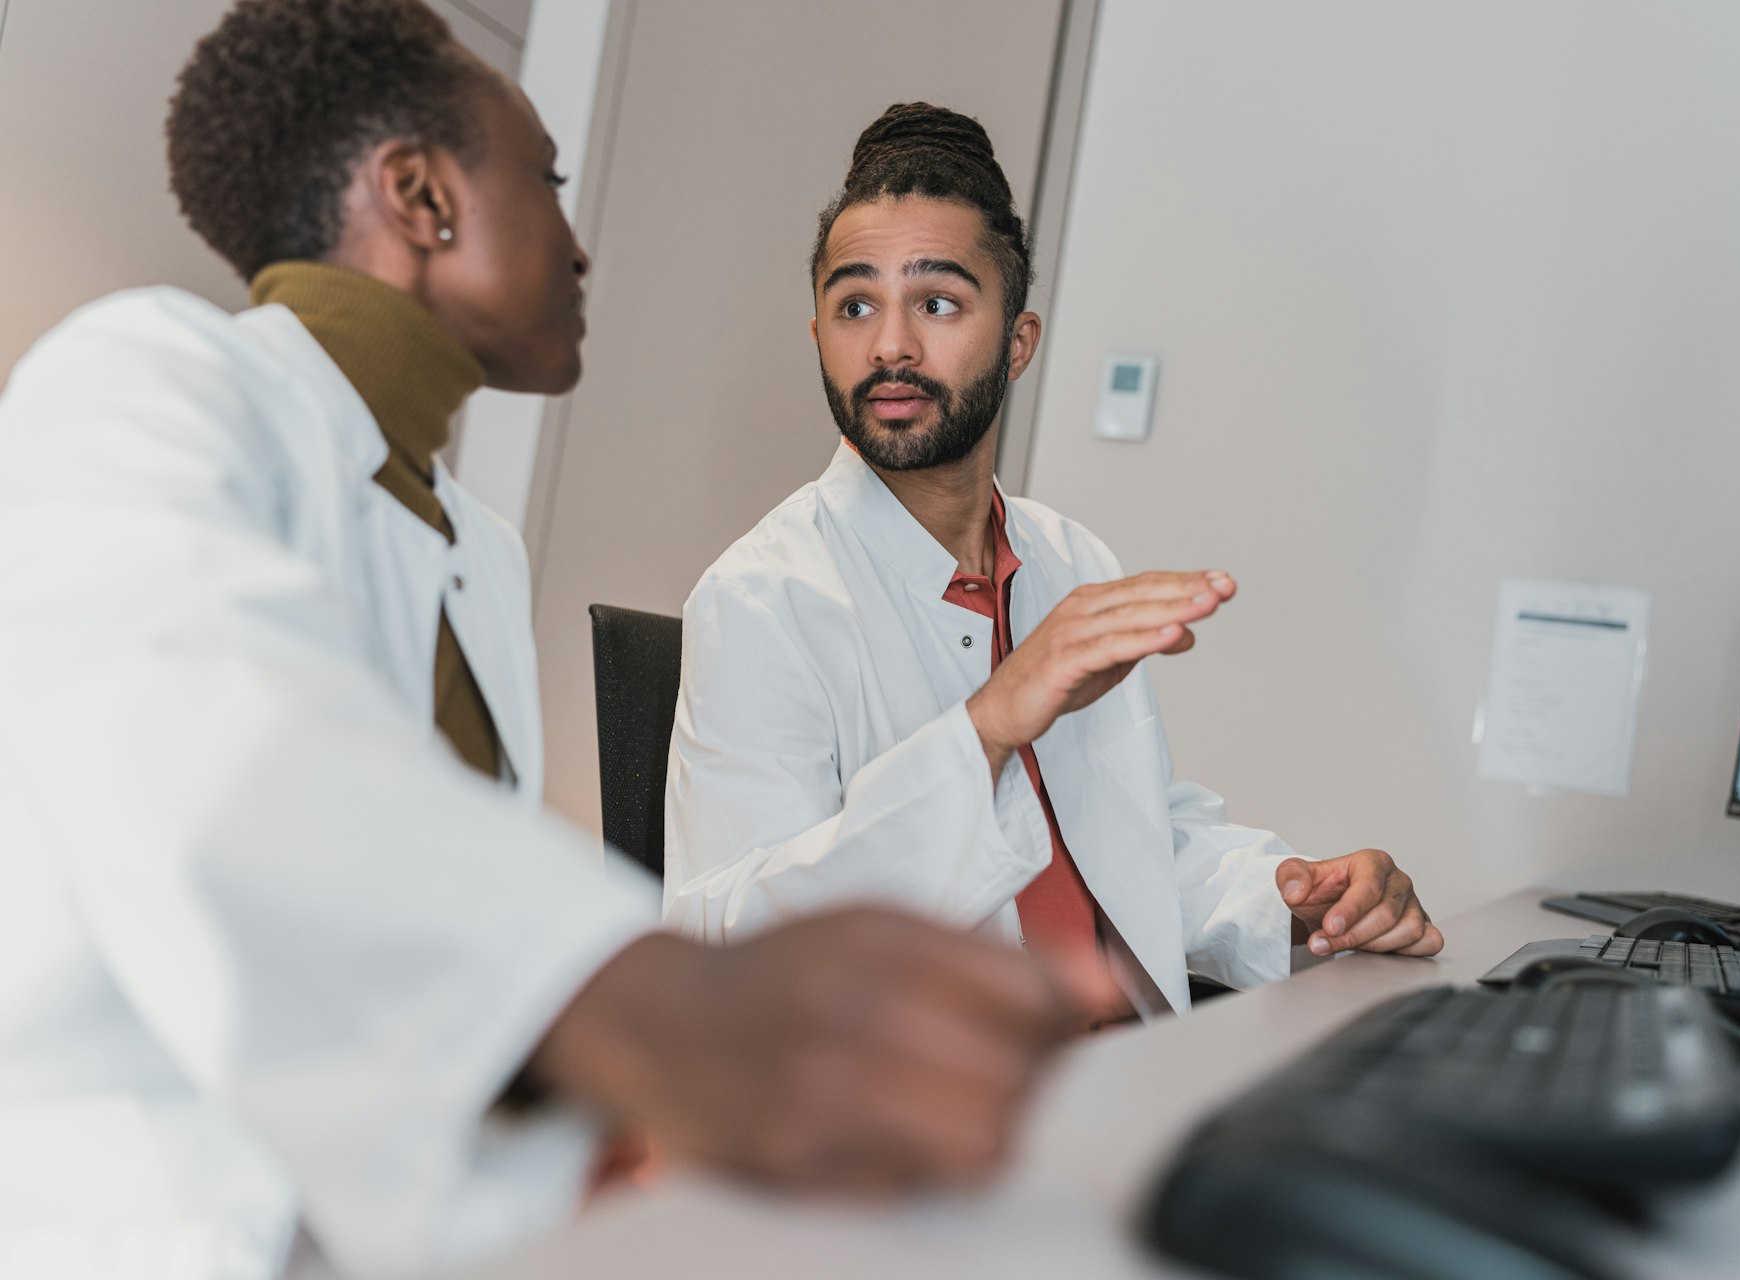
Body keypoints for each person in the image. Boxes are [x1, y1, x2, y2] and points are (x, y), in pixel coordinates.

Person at [0, 10, 1100, 1277]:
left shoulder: (473, 544)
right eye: (547, 181)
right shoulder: (146, 374)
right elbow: (203, 729)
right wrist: (666, 1009)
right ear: (421, 196)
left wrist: (595, 1138)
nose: (579, 247)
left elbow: (403, 979)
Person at [663, 104, 1443, 1016]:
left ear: (1019, 342)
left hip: (1131, 1072)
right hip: (947, 1109)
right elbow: (725, 942)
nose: (890, 347)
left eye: (939, 302)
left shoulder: (1070, 558)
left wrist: (1302, 899)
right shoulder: (762, 597)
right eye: (855, 304)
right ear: (819, 339)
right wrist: (983, 731)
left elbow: (1131, 834)